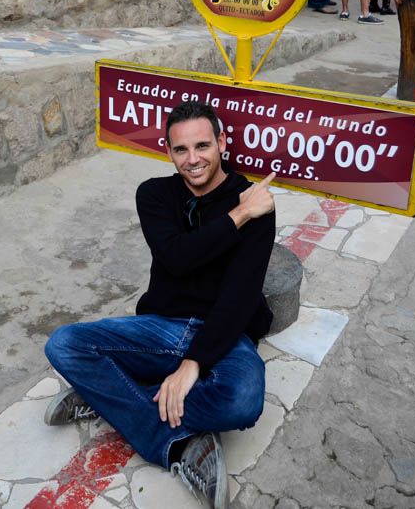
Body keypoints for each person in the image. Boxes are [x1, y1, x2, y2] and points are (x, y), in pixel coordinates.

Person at [43, 101, 277, 509]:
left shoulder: (256, 200)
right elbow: (177, 257)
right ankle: (177, 445)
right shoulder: (155, 194)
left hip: (223, 330)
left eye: (203, 146)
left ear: (222, 143)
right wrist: (238, 215)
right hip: (161, 326)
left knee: (242, 398)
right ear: (167, 150)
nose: (193, 159)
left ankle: (109, 396)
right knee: (63, 345)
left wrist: (196, 362)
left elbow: (240, 296)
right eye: (181, 150)